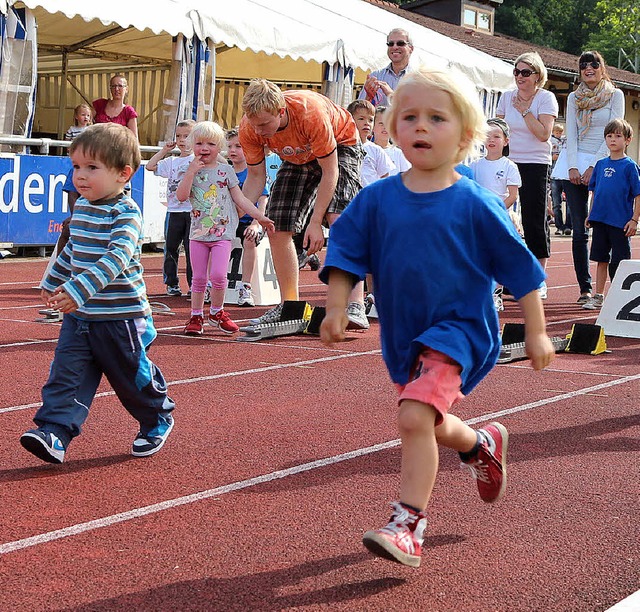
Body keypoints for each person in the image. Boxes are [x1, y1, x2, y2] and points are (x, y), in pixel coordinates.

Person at [319, 67, 555, 568]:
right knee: (429, 418)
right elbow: (345, 250)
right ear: (392, 128)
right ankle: (480, 444)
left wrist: (536, 331)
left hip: (462, 329)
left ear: (466, 135)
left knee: (413, 414)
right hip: (406, 334)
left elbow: (522, 269)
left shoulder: (475, 202)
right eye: (410, 117)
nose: (421, 127)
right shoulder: (377, 198)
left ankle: (407, 524)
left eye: (435, 118)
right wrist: (337, 306)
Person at [20, 123, 175, 464]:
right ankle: (55, 432)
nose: (80, 176)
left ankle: (156, 417)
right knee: (66, 374)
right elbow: (73, 250)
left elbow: (116, 258)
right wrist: (55, 279)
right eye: (76, 167)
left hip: (120, 319)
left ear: (123, 174)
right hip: (80, 318)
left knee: (131, 378)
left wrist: (77, 288)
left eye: (92, 167)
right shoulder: (84, 209)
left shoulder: (126, 213)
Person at [238, 78, 362, 325]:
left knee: (338, 219)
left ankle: (355, 303)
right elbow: (255, 177)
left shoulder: (309, 112)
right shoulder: (249, 128)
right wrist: (235, 212)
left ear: (281, 111)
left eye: (265, 124)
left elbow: (330, 172)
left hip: (340, 145)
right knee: (277, 226)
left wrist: (315, 222)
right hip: (297, 158)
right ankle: (290, 306)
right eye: (255, 125)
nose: (260, 131)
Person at [176, 121, 275, 336]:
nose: (205, 148)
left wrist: (261, 217)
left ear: (219, 146)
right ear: (192, 145)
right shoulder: (188, 169)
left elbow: (242, 199)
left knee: (220, 275)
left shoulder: (226, 171)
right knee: (199, 279)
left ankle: (216, 312)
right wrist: (191, 172)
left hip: (222, 234)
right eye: (199, 143)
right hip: (197, 234)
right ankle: (195, 315)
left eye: (211, 144)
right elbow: (182, 196)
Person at [555, 51, 625, 304]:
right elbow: (571, 133)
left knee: (606, 226)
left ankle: (610, 290)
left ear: (602, 68)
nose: (588, 68)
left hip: (604, 163)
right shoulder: (574, 97)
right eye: (583, 65)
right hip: (573, 162)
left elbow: (616, 130)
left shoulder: (615, 95)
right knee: (578, 230)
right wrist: (573, 166)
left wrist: (594, 166)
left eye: (594, 64)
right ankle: (584, 288)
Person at [497, 51, 558, 300]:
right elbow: (498, 127)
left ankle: (538, 280)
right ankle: (511, 278)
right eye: (516, 71)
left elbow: (544, 134)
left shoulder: (546, 98)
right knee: (504, 218)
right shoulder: (506, 96)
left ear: (537, 75)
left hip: (535, 162)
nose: (519, 77)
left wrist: (524, 111)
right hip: (509, 160)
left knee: (534, 220)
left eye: (525, 72)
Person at [582, 118, 640, 310]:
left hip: (620, 222)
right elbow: (594, 191)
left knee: (620, 261)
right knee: (601, 259)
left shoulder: (630, 166)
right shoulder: (600, 165)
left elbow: (638, 195)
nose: (613, 140)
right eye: (609, 136)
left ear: (628, 140)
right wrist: (590, 214)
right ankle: (598, 296)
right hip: (600, 220)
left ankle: (620, 296)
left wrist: (634, 220)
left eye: (618, 136)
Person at [470, 117, 522, 312]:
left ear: (506, 141)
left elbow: (513, 195)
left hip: (500, 217)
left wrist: (496, 209)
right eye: (487, 135)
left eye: (496, 136)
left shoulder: (509, 166)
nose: (491, 140)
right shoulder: (475, 166)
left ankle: (497, 295)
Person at [146, 120, 195, 297]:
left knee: (192, 250)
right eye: (179, 136)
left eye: (187, 136)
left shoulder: (198, 159)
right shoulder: (172, 161)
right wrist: (165, 150)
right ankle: (171, 283)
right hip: (174, 211)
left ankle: (193, 285)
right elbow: (150, 166)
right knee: (171, 248)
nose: (182, 140)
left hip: (192, 211)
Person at [226, 126, 270, 307]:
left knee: (249, 239)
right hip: (227, 221)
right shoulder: (224, 171)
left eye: (238, 146)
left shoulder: (254, 173)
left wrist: (255, 223)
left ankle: (246, 287)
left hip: (249, 221)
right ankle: (210, 284)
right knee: (212, 238)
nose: (233, 151)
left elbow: (263, 201)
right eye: (229, 147)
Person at [359, 28, 413, 107]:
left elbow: (417, 112)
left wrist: (390, 95)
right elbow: (360, 113)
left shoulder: (418, 79)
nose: (394, 47)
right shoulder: (375, 77)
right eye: (390, 44)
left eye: (400, 43)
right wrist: (368, 98)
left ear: (411, 49)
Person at [93, 74, 138, 139]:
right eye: (113, 86)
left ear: (126, 89)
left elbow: (134, 138)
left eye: (120, 86)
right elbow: (85, 120)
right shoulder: (100, 104)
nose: (116, 89)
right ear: (110, 89)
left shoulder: (129, 111)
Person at [372, 105, 411, 175]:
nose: (385, 127)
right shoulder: (367, 150)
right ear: (373, 126)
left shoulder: (399, 154)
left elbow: (408, 177)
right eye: (381, 123)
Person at [549, 122, 570, 236]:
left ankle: (568, 226)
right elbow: (549, 156)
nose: (558, 134)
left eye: (560, 132)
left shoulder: (565, 140)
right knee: (556, 203)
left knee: (569, 202)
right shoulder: (550, 141)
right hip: (555, 174)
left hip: (566, 175)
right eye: (556, 132)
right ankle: (559, 226)